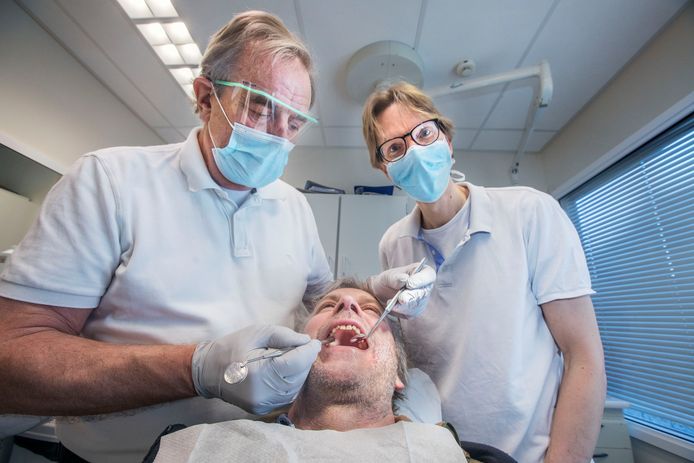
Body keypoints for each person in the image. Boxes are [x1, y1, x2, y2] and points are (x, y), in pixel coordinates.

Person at [0, 12, 432, 463]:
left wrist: (367, 294)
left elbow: (319, 298)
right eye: (261, 107)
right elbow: (12, 361)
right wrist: (197, 369)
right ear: (206, 98)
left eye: (295, 122)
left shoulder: (293, 206)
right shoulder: (110, 182)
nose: (278, 136)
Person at [360, 82, 607, 463]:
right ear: (384, 168)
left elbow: (583, 356)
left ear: (447, 138)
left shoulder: (531, 213)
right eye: (395, 148)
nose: (415, 152)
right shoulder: (393, 244)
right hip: (441, 453)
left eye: (424, 133)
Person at [145, 280, 513, 463]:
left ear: (399, 373)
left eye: (370, 309)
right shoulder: (192, 448)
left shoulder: (472, 459)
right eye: (329, 305)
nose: (349, 304)